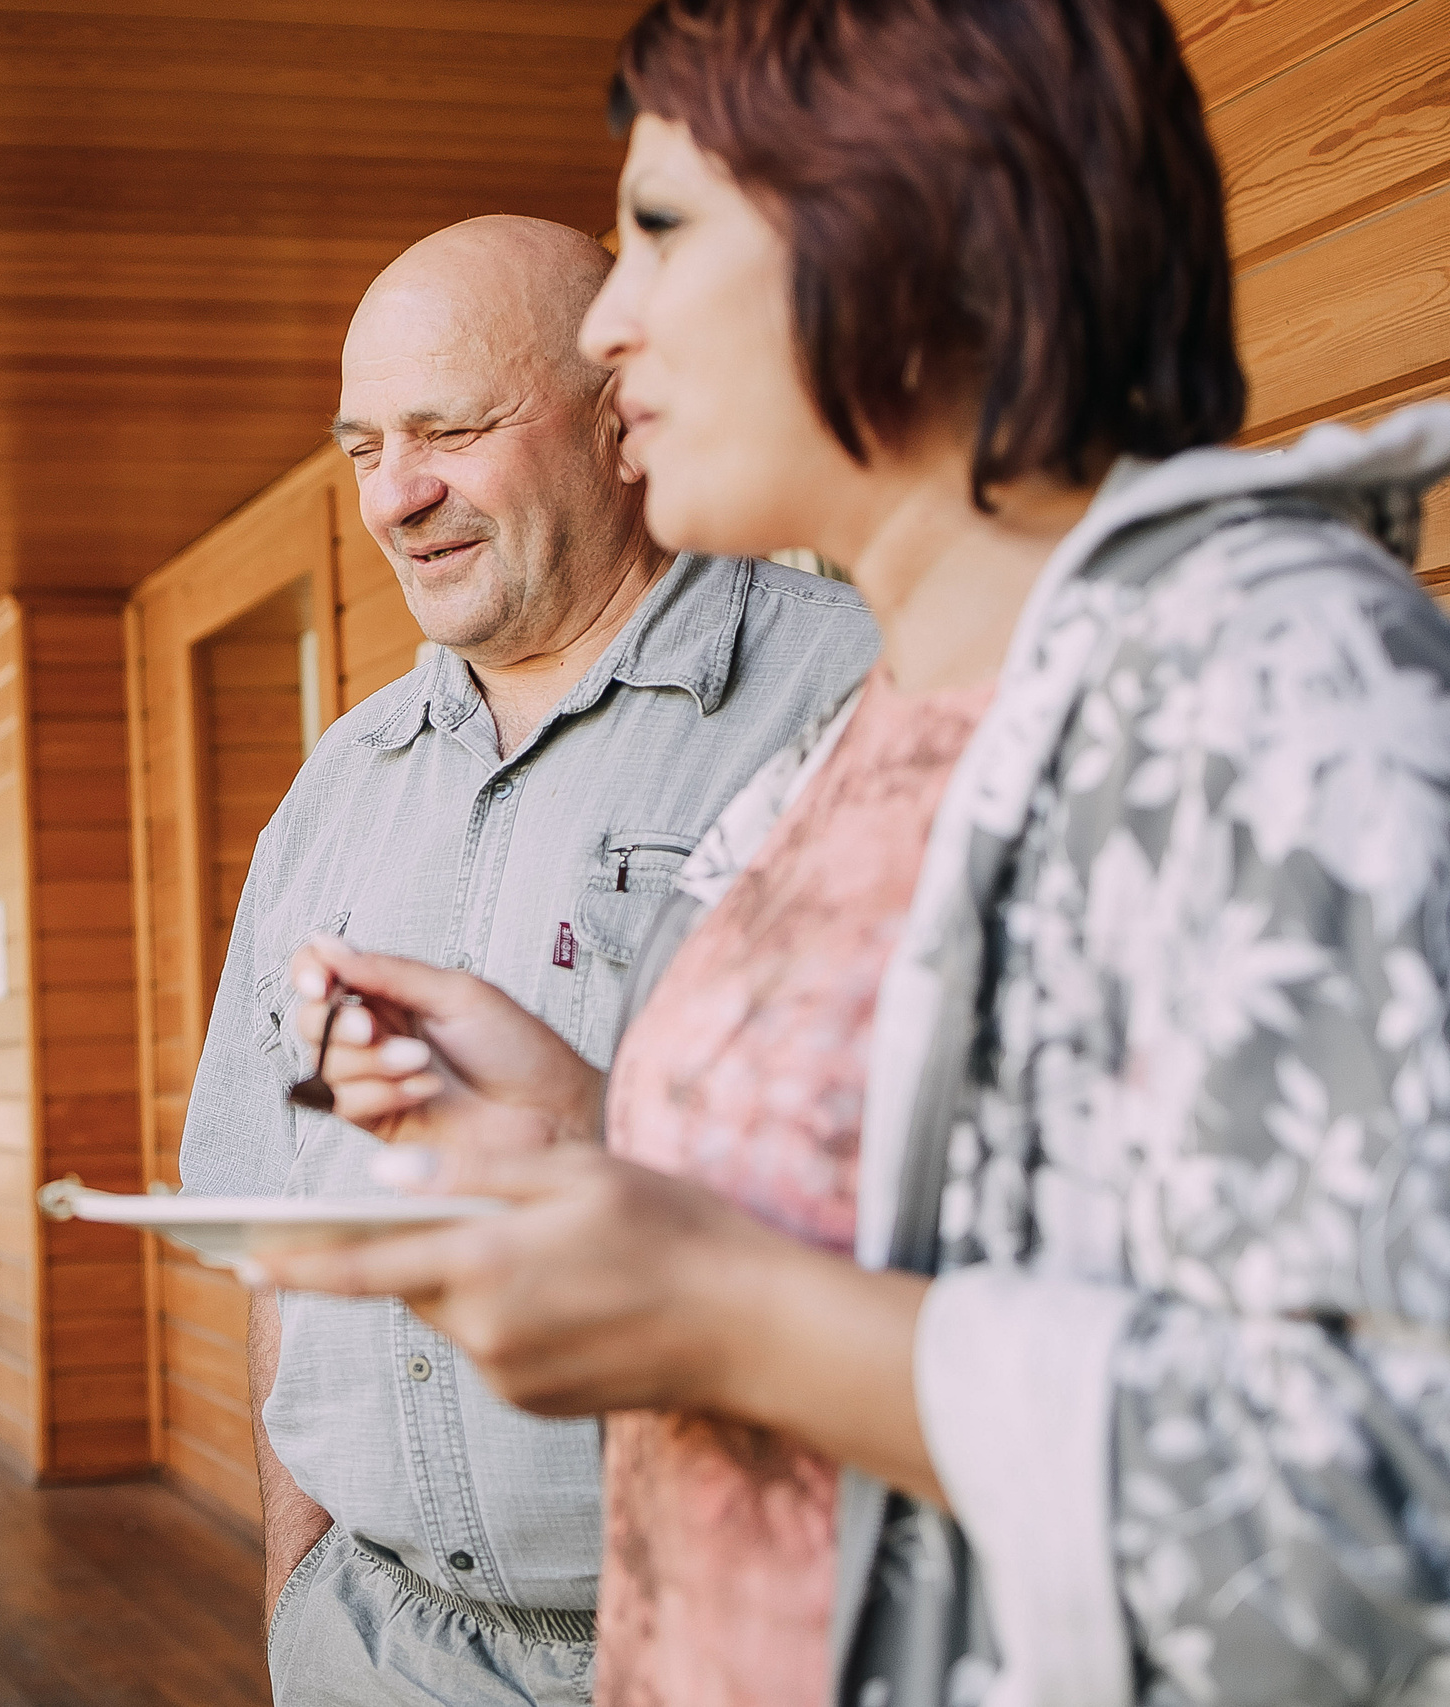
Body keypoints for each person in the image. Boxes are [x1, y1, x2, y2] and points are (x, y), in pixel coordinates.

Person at [257, 3, 1450, 1704]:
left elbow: (1392, 1515)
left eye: (660, 229)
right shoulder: (891, 717)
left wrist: (730, 1311)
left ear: (922, 224)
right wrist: (584, 1135)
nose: (609, 322)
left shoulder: (1276, 684)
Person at [177, 213, 877, 1707]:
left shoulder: (850, 697)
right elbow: (277, 1238)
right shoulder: (337, 786)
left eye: (452, 429)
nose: (394, 495)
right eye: (363, 445)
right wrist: (297, 1579)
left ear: (622, 411)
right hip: (367, 1638)